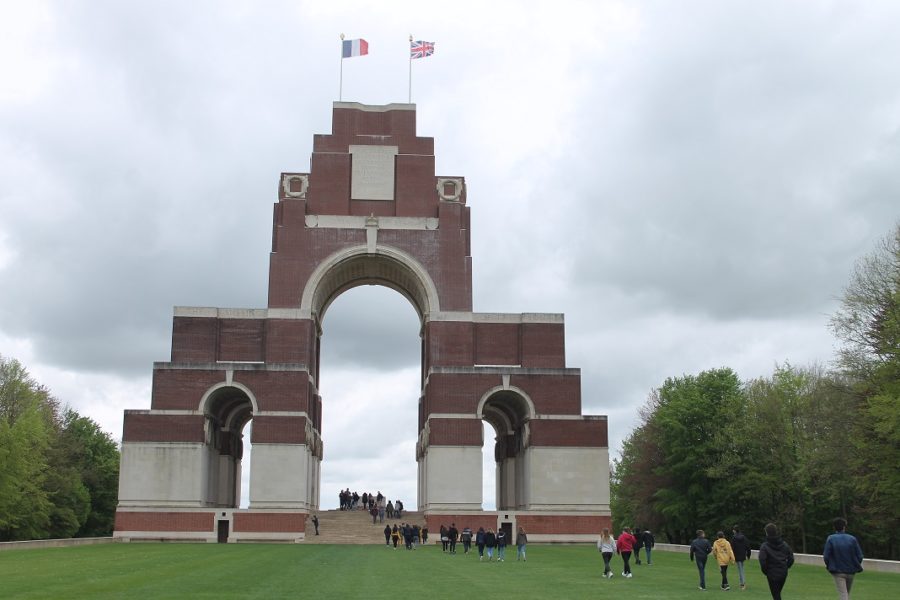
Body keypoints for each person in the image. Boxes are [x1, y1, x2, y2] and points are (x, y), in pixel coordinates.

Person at [823, 517, 864, 600]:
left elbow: (826, 556)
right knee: (846, 594)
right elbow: (860, 556)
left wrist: (830, 565)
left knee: (843, 594)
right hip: (851, 571)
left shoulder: (831, 538)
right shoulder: (852, 539)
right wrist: (855, 564)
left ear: (834, 527)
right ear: (844, 527)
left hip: (837, 570)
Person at [758, 523, 794, 600]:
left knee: (776, 595)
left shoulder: (764, 546)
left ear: (767, 533)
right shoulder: (784, 544)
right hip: (783, 573)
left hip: (771, 574)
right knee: (777, 594)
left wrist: (766, 571)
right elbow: (791, 558)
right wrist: (786, 567)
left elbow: (762, 561)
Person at [731, 525, 752, 590]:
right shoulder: (744, 537)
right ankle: (741, 583)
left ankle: (743, 583)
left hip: (737, 555)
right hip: (743, 555)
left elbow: (732, 548)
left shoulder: (734, 538)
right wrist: (748, 555)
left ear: (734, 530)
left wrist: (732, 557)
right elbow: (748, 546)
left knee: (740, 569)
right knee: (741, 568)